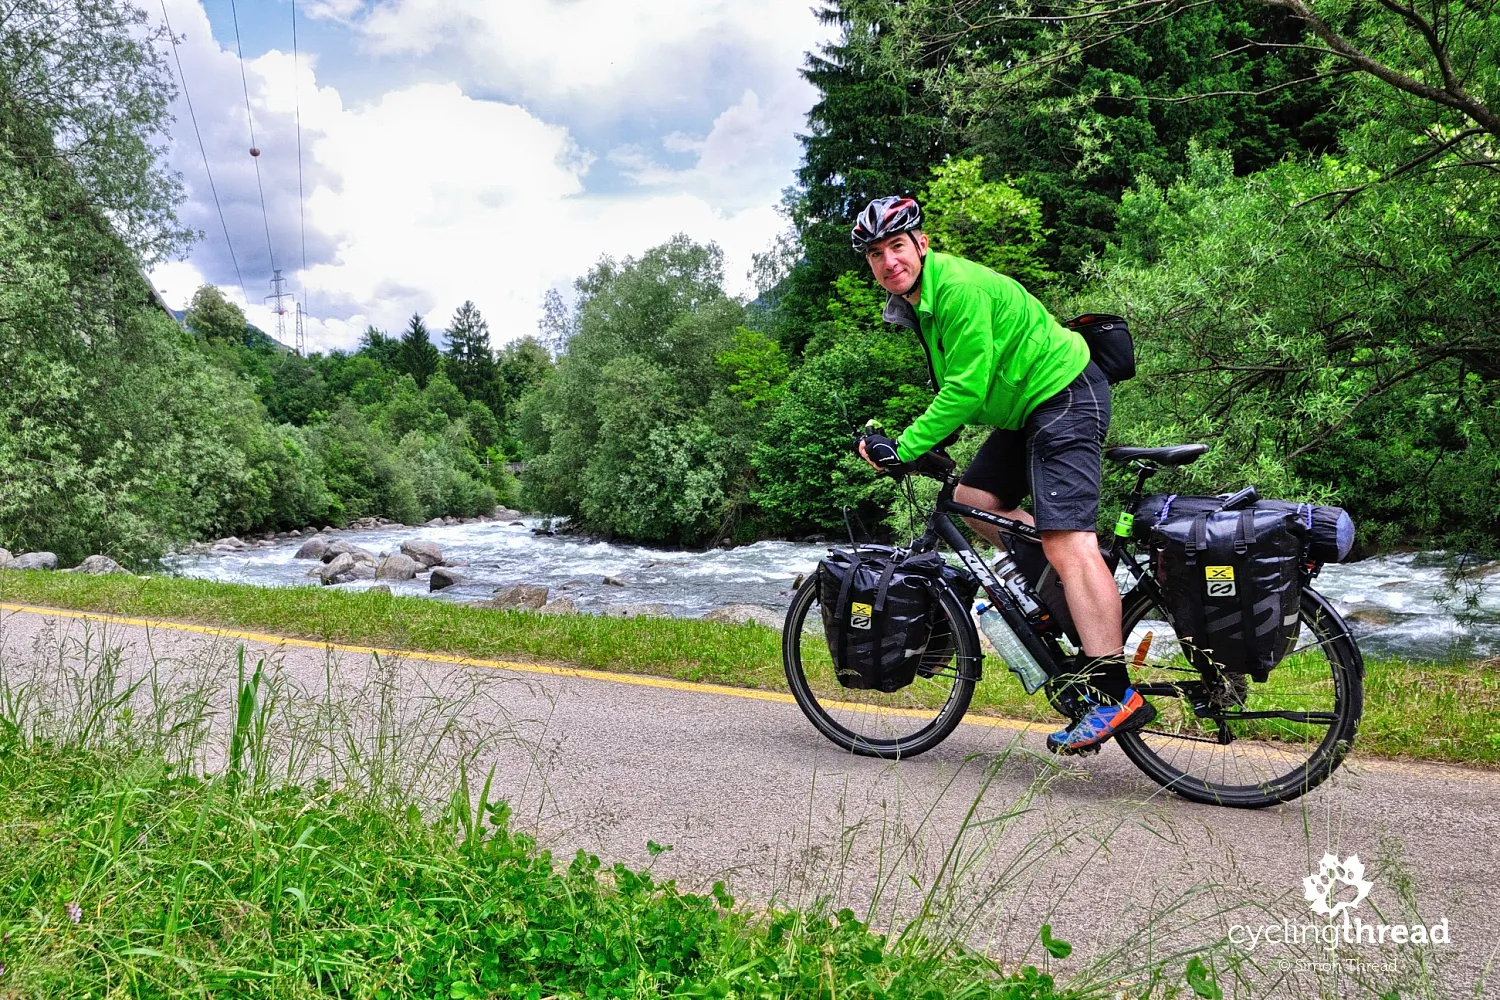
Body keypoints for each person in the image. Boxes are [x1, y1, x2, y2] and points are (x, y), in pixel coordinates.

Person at [849, 195, 1154, 754]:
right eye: (876, 254)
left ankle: (1113, 692)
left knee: (1068, 540)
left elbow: (966, 387)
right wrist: (926, 445)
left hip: (1063, 393)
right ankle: (1061, 597)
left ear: (921, 244)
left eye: (897, 246)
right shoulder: (924, 301)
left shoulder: (958, 288)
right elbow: (971, 379)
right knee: (974, 497)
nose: (889, 261)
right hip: (1029, 407)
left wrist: (907, 446)